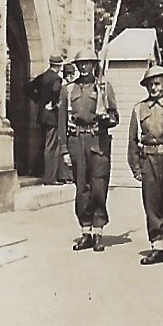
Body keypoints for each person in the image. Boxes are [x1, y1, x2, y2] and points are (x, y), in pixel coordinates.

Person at [58, 48, 119, 252]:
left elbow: (115, 116)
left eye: (88, 63)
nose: (84, 67)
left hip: (98, 140)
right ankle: (86, 231)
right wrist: (64, 150)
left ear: (94, 65)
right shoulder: (68, 90)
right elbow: (61, 123)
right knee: (81, 189)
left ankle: (98, 231)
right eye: (80, 64)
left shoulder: (104, 87)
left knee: (99, 187)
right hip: (76, 141)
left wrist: (106, 119)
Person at [127, 64, 163, 267]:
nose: (154, 88)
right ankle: (157, 246)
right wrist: (136, 167)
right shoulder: (139, 109)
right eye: (150, 84)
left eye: (158, 84)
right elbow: (133, 140)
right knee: (152, 205)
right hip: (149, 161)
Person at [24, 53, 66, 185]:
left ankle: (42, 173)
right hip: (52, 117)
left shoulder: (43, 77)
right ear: (59, 66)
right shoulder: (56, 79)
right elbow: (55, 93)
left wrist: (39, 101)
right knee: (51, 147)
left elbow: (27, 88)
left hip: (42, 116)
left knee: (44, 145)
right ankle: (50, 178)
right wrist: (52, 104)